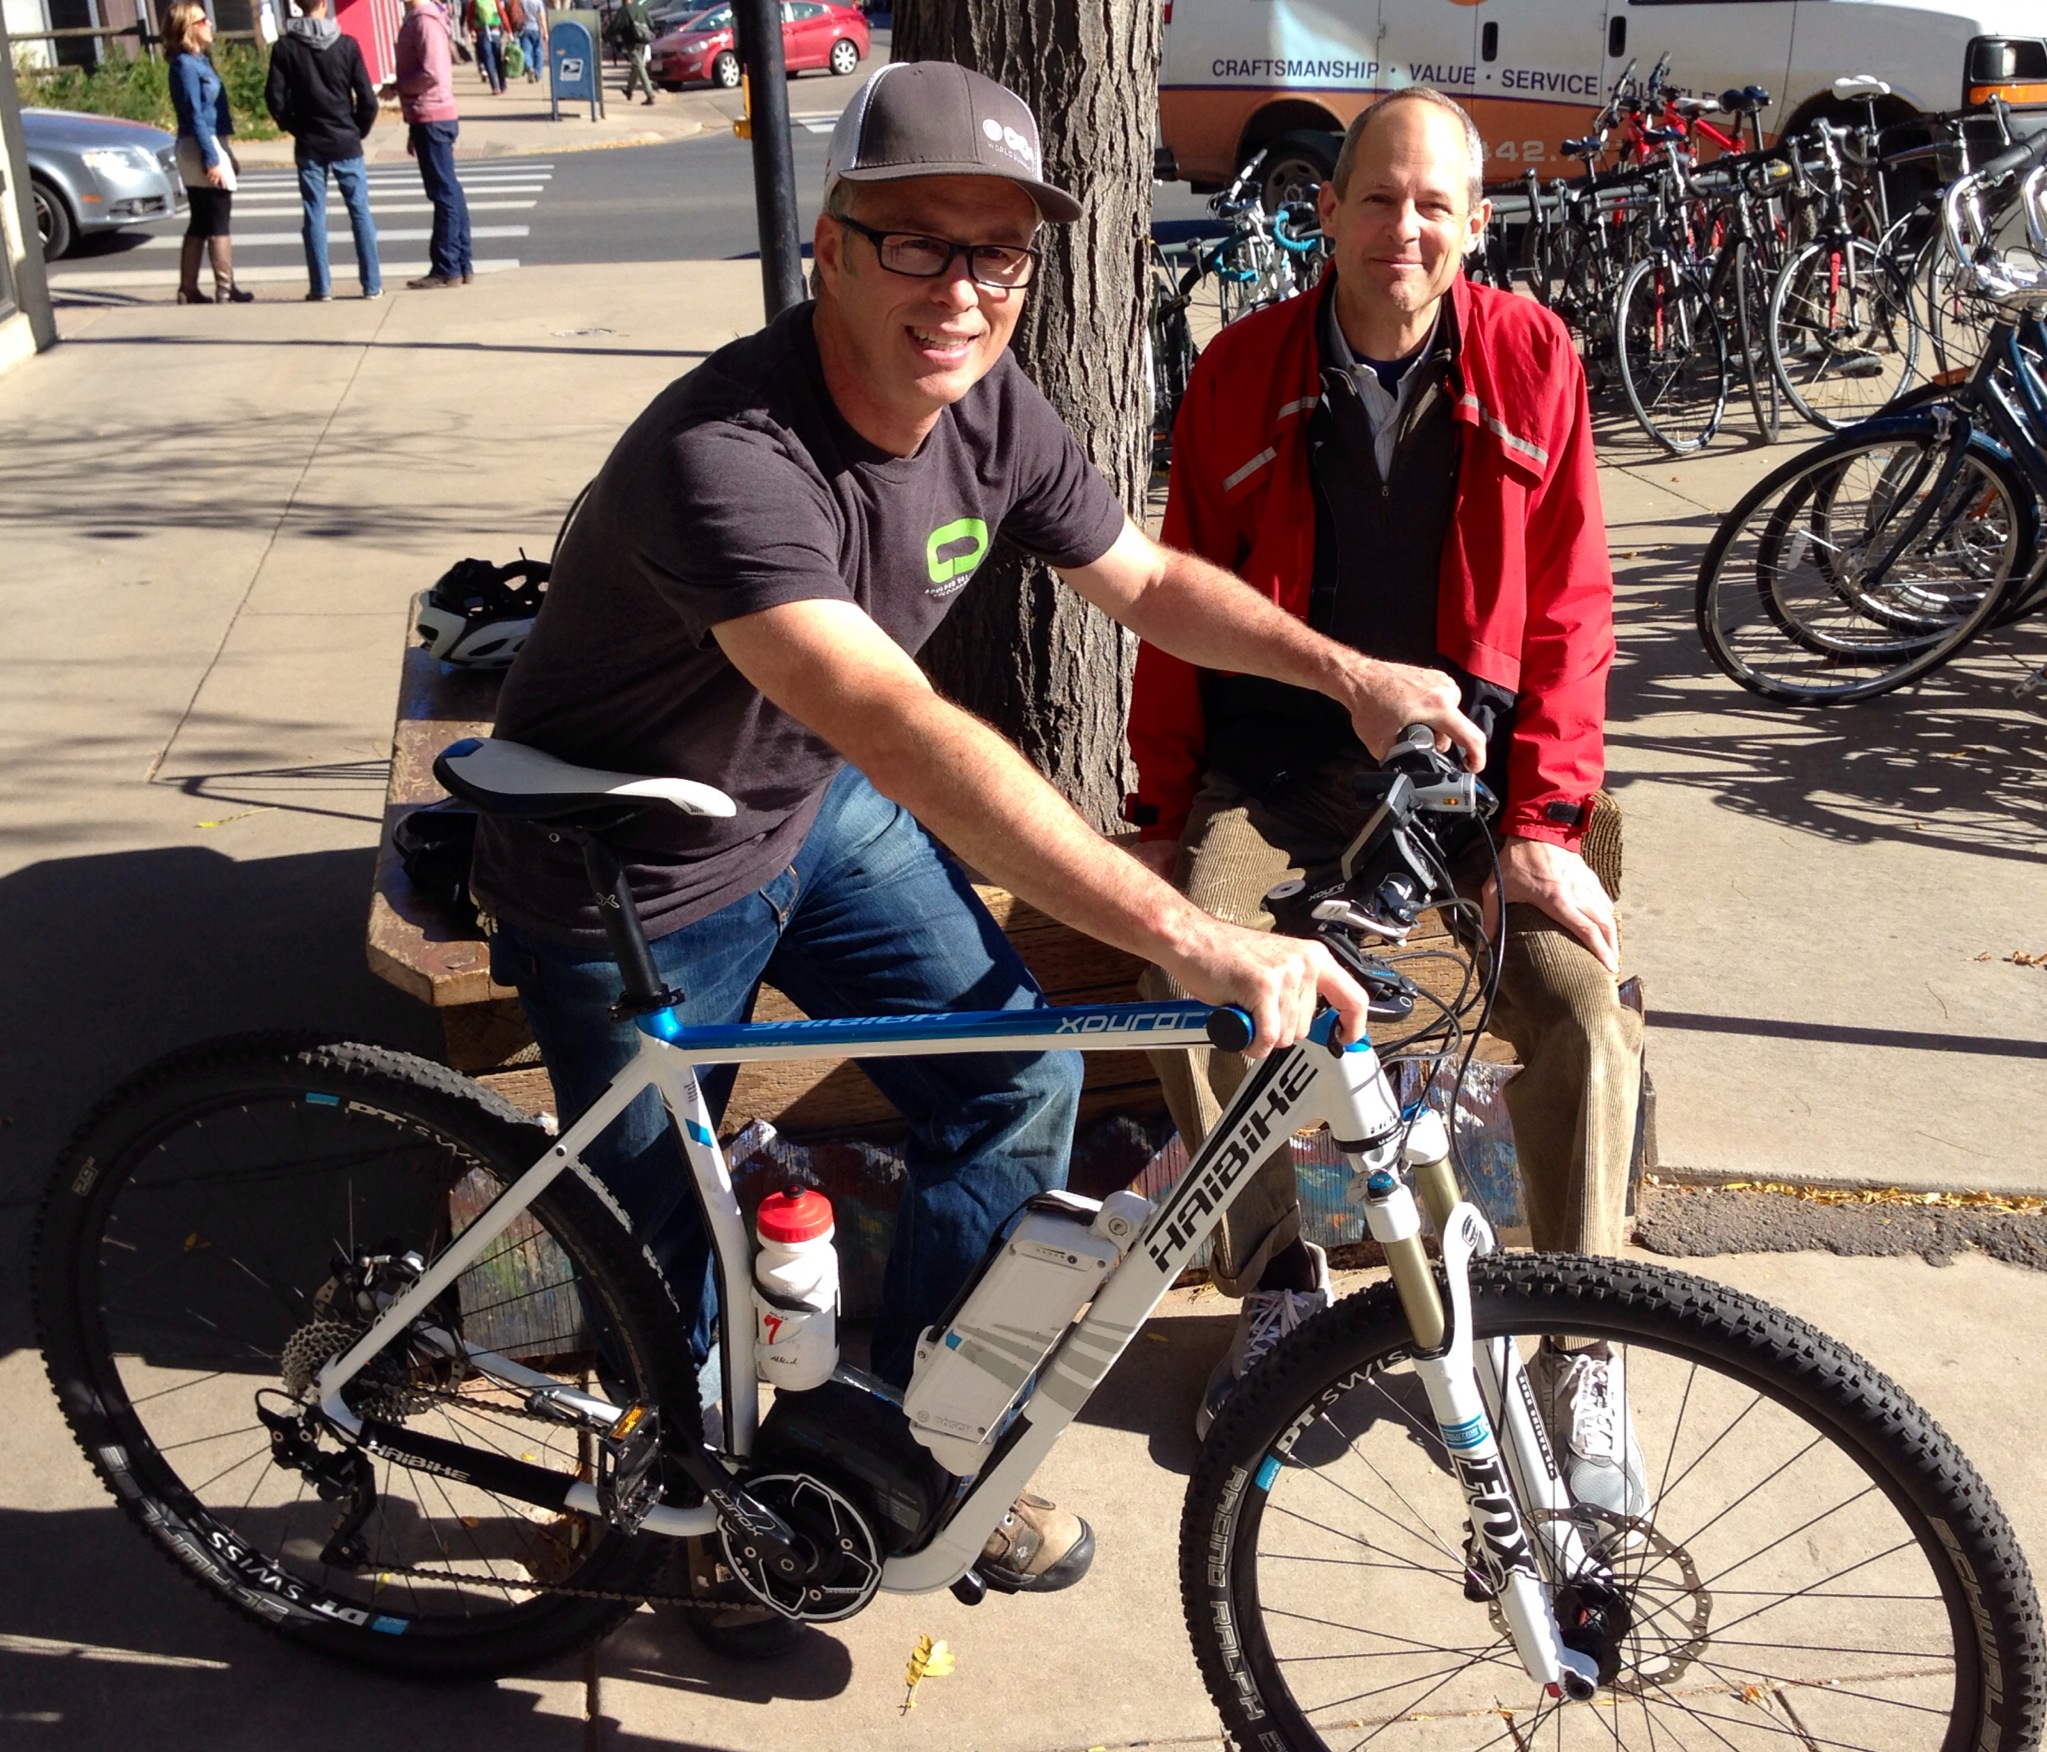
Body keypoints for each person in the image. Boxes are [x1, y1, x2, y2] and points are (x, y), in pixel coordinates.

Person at [469, 60, 1473, 1653]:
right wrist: (1189, 935)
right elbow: (882, 713)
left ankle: (912, 1450)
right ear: (830, 246)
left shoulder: (989, 404)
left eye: (998, 251)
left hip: (799, 811)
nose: (964, 288)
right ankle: (682, 1509)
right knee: (679, 1286)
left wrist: (1347, 672)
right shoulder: (724, 454)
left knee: (1018, 1081)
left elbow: (1142, 579)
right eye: (918, 243)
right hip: (630, 875)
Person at [1128, 88, 1648, 1517]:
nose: (1401, 230)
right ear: (1326, 213)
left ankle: (1574, 1344)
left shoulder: (1532, 356)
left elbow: (1571, 617)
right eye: (1377, 199)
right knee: (1190, 970)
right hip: (1281, 779)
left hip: (1469, 801)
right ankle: (1279, 1283)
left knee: (1584, 1019)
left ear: (1473, 227)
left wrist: (1540, 827)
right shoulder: (1236, 371)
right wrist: (1156, 807)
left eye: (1434, 206)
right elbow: (1175, 601)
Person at [265, 0, 384, 303]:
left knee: (314, 213)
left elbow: (275, 98)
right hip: (345, 138)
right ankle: (371, 284)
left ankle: (321, 286)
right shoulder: (346, 45)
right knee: (359, 211)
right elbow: (368, 99)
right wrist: (357, 130)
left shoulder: (285, 48)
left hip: (309, 142)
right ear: (323, 4)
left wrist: (292, 125)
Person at [165, 0, 253, 304]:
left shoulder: (200, 61)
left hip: (207, 141)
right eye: (203, 21)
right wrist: (213, 158)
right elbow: (195, 114)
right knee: (217, 217)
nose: (210, 24)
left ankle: (188, 288)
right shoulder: (185, 65)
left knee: (201, 220)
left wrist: (226, 151)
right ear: (187, 28)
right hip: (199, 143)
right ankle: (225, 288)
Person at [394, 0, 474, 289]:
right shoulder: (419, 19)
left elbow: (431, 74)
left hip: (433, 116)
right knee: (449, 189)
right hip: (427, 116)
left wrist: (398, 88)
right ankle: (460, 264)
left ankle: (447, 266)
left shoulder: (424, 21)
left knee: (444, 192)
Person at [610, 0, 657, 105]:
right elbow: (650, 23)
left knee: (639, 66)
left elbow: (615, 27)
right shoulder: (640, 9)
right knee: (636, 66)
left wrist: (606, 37)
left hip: (631, 42)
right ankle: (629, 89)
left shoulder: (624, 10)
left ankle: (650, 94)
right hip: (643, 41)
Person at [464, 0, 508, 93]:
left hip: (481, 32)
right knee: (498, 59)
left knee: (488, 59)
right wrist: (509, 30)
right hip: (495, 31)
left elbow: (469, 17)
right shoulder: (494, 1)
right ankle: (503, 85)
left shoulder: (474, 2)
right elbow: (502, 13)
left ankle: (494, 87)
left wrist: (472, 30)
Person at [512, 0, 546, 83]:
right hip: (536, 28)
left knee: (526, 51)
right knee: (538, 51)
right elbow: (542, 17)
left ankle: (529, 67)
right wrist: (545, 31)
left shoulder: (522, 1)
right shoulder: (538, 2)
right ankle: (538, 73)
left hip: (524, 28)